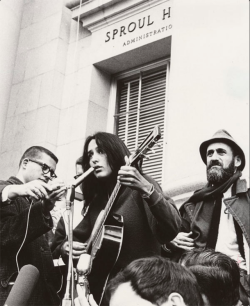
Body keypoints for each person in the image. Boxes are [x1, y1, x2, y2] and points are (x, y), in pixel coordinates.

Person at [51, 132, 181, 304]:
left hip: (142, 290)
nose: (93, 160)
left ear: (115, 152)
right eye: (90, 155)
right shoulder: (99, 202)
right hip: (102, 294)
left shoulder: (140, 185)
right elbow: (72, 240)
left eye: (100, 151)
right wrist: (65, 247)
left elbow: (171, 228)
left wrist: (147, 189)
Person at [169, 130, 250, 305]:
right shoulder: (193, 204)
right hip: (196, 278)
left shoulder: (248, 198)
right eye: (209, 153)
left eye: (221, 152)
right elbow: (172, 240)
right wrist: (170, 240)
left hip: (239, 281)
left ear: (237, 161)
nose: (213, 157)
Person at [0, 146, 66, 306]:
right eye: (45, 168)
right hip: (14, 293)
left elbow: (46, 251)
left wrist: (63, 249)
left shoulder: (38, 202)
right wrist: (16, 190)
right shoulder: (8, 189)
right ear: (25, 163)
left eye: (52, 172)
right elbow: (4, 236)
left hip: (42, 295)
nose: (48, 175)